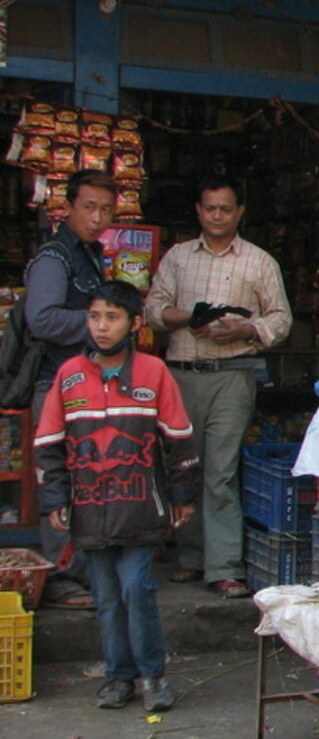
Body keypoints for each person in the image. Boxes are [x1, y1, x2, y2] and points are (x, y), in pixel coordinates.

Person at [33, 280, 199, 711]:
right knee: (106, 597)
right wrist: (55, 499)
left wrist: (183, 495)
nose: (101, 327)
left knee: (137, 589)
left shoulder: (153, 373)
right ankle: (118, 676)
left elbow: (179, 438)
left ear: (134, 324)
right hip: (89, 507)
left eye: (112, 317)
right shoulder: (69, 376)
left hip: (140, 505)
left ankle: (153, 675)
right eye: (94, 316)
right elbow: (48, 442)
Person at [144, 175, 291, 598]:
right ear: (198, 210)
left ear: (239, 212)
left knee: (221, 471)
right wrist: (188, 317)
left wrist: (245, 327)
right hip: (181, 375)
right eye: (210, 208)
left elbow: (281, 319)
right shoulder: (177, 258)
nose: (217, 216)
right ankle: (192, 557)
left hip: (233, 374)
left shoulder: (259, 261)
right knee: (186, 467)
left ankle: (224, 565)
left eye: (226, 209)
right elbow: (154, 309)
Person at [23, 168, 118, 609]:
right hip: (57, 387)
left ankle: (81, 571)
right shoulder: (54, 258)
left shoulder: (88, 255)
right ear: (68, 208)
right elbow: (41, 319)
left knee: (86, 479)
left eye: (105, 209)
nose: (97, 218)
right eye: (88, 208)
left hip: (83, 384)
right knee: (59, 481)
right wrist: (99, 324)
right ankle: (60, 578)